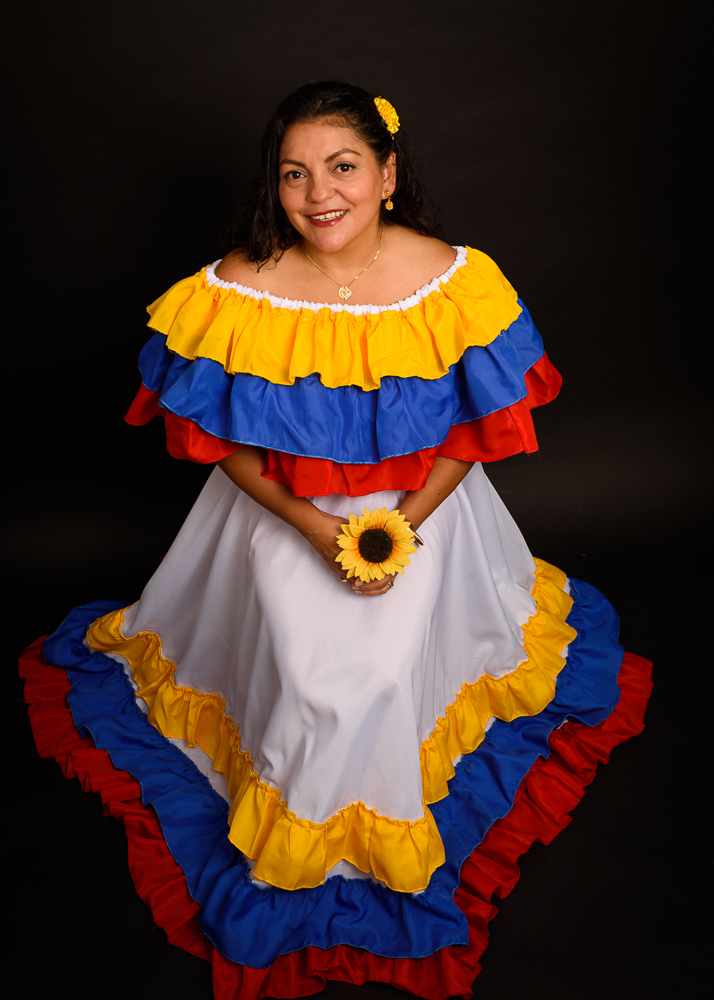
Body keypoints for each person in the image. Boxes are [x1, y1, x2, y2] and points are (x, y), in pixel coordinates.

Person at [21, 81, 652, 999]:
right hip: (284, 512)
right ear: (274, 186)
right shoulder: (237, 288)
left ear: (387, 175)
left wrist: (399, 527)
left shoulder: (454, 280)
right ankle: (299, 833)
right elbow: (227, 449)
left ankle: (377, 833)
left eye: (343, 167)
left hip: (424, 510)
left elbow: (472, 434)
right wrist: (317, 527)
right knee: (310, 674)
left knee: (386, 673)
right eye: (295, 174)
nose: (320, 194)